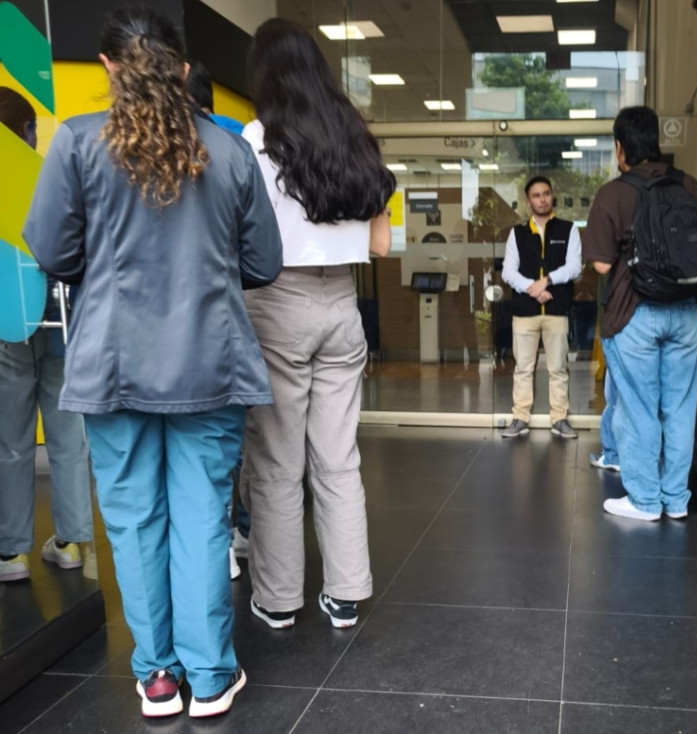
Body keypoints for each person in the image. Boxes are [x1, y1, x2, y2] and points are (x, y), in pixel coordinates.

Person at [23, 5, 282, 719]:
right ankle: (208, 675)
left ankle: (158, 676)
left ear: (108, 67)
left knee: (135, 520)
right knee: (201, 518)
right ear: (186, 68)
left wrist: (100, 268)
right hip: (210, 362)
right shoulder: (229, 151)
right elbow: (263, 261)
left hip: (111, 363)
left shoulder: (76, 144)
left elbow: (51, 252)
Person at [239, 18, 393, 632]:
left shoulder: (256, 139)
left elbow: (242, 240)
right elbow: (380, 244)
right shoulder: (356, 136)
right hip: (343, 307)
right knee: (338, 456)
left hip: (276, 302)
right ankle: (346, 591)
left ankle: (278, 599)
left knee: (277, 461)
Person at [583, 106, 697, 521]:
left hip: (635, 312)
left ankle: (644, 500)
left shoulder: (613, 194)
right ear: (657, 140)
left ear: (620, 148)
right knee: (679, 406)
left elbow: (601, 265)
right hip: (686, 311)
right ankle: (676, 499)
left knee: (637, 407)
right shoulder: (690, 186)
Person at [0, 87, 94, 583]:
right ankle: (72, 541)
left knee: (11, 440)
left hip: (8, 325)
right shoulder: (51, 178)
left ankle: (10, 552)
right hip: (61, 320)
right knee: (66, 436)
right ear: (29, 133)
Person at [186, 59, 251, 579]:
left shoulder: (123, 140)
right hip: (237, 310)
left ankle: (223, 541)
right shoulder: (237, 141)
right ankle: (244, 527)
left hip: (173, 325)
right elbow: (262, 253)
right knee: (239, 440)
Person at [500, 176, 582, 439]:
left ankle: (559, 419)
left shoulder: (569, 230)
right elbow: (508, 272)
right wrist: (533, 288)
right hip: (525, 312)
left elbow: (573, 267)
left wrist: (546, 280)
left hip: (556, 310)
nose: (542, 199)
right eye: (536, 195)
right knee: (523, 368)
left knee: (558, 368)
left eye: (546, 193)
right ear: (528, 201)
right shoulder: (517, 233)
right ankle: (520, 417)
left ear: (552, 196)